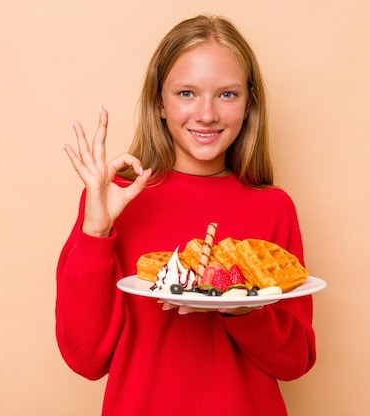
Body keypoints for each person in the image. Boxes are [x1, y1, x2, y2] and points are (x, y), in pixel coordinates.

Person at [56, 14, 316, 415]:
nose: (207, 114)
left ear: (249, 104)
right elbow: (86, 359)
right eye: (187, 93)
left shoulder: (273, 207)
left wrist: (243, 308)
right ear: (159, 103)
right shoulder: (115, 200)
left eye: (227, 94)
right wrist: (95, 231)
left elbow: (295, 362)